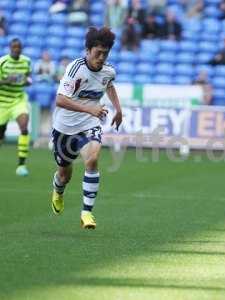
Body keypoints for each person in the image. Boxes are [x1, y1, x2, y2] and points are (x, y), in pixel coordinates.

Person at [50, 27, 122, 229]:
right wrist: (89, 108)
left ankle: (87, 213)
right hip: (65, 127)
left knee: (92, 159)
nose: (101, 57)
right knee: (65, 174)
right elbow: (60, 100)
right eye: (98, 52)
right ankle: (58, 189)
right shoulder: (75, 68)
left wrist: (119, 109)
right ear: (88, 50)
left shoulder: (109, 71)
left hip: (89, 124)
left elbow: (109, 85)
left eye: (105, 53)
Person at [0, 39, 32, 176]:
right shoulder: (3, 62)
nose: (16, 49)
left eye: (19, 47)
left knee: (24, 127)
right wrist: (8, 80)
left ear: (21, 49)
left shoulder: (26, 61)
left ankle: (21, 165)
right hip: (2, 102)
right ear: (10, 48)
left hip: (18, 100)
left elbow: (29, 78)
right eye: (14, 47)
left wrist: (27, 81)